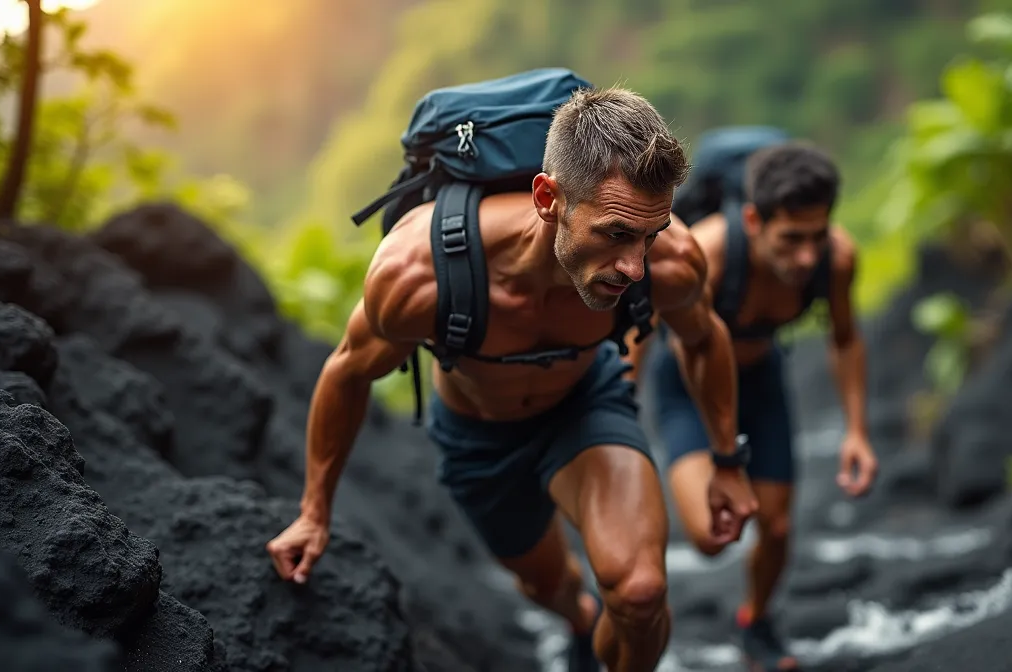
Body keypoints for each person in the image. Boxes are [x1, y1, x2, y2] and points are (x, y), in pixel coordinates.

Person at [265, 86, 761, 672]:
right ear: (549, 198)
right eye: (615, 234)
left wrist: (727, 461)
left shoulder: (671, 262)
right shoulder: (419, 274)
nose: (635, 267)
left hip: (584, 403)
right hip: (479, 437)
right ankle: (579, 622)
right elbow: (347, 372)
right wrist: (313, 513)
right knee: (549, 587)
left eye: (649, 236)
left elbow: (704, 338)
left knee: (640, 593)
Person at [630, 140, 879, 671]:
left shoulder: (836, 260)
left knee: (778, 527)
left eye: (817, 236)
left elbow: (844, 339)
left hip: (761, 378)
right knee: (711, 535)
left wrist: (856, 432)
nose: (807, 256)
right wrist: (622, 403)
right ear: (753, 220)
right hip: (688, 386)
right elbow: (646, 327)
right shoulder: (705, 253)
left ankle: (756, 622)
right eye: (791, 239)